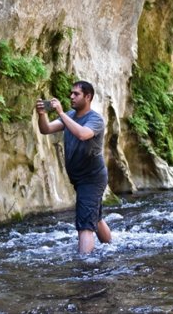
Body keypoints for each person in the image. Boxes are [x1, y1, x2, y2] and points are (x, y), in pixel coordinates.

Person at [36, 80, 112, 254]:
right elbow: (46, 129)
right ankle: (110, 248)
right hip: (79, 179)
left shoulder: (95, 119)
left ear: (88, 97)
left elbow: (82, 134)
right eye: (71, 93)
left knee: (84, 224)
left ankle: (85, 265)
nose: (71, 97)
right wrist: (42, 114)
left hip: (92, 178)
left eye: (76, 94)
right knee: (95, 217)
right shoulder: (69, 116)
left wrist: (61, 113)